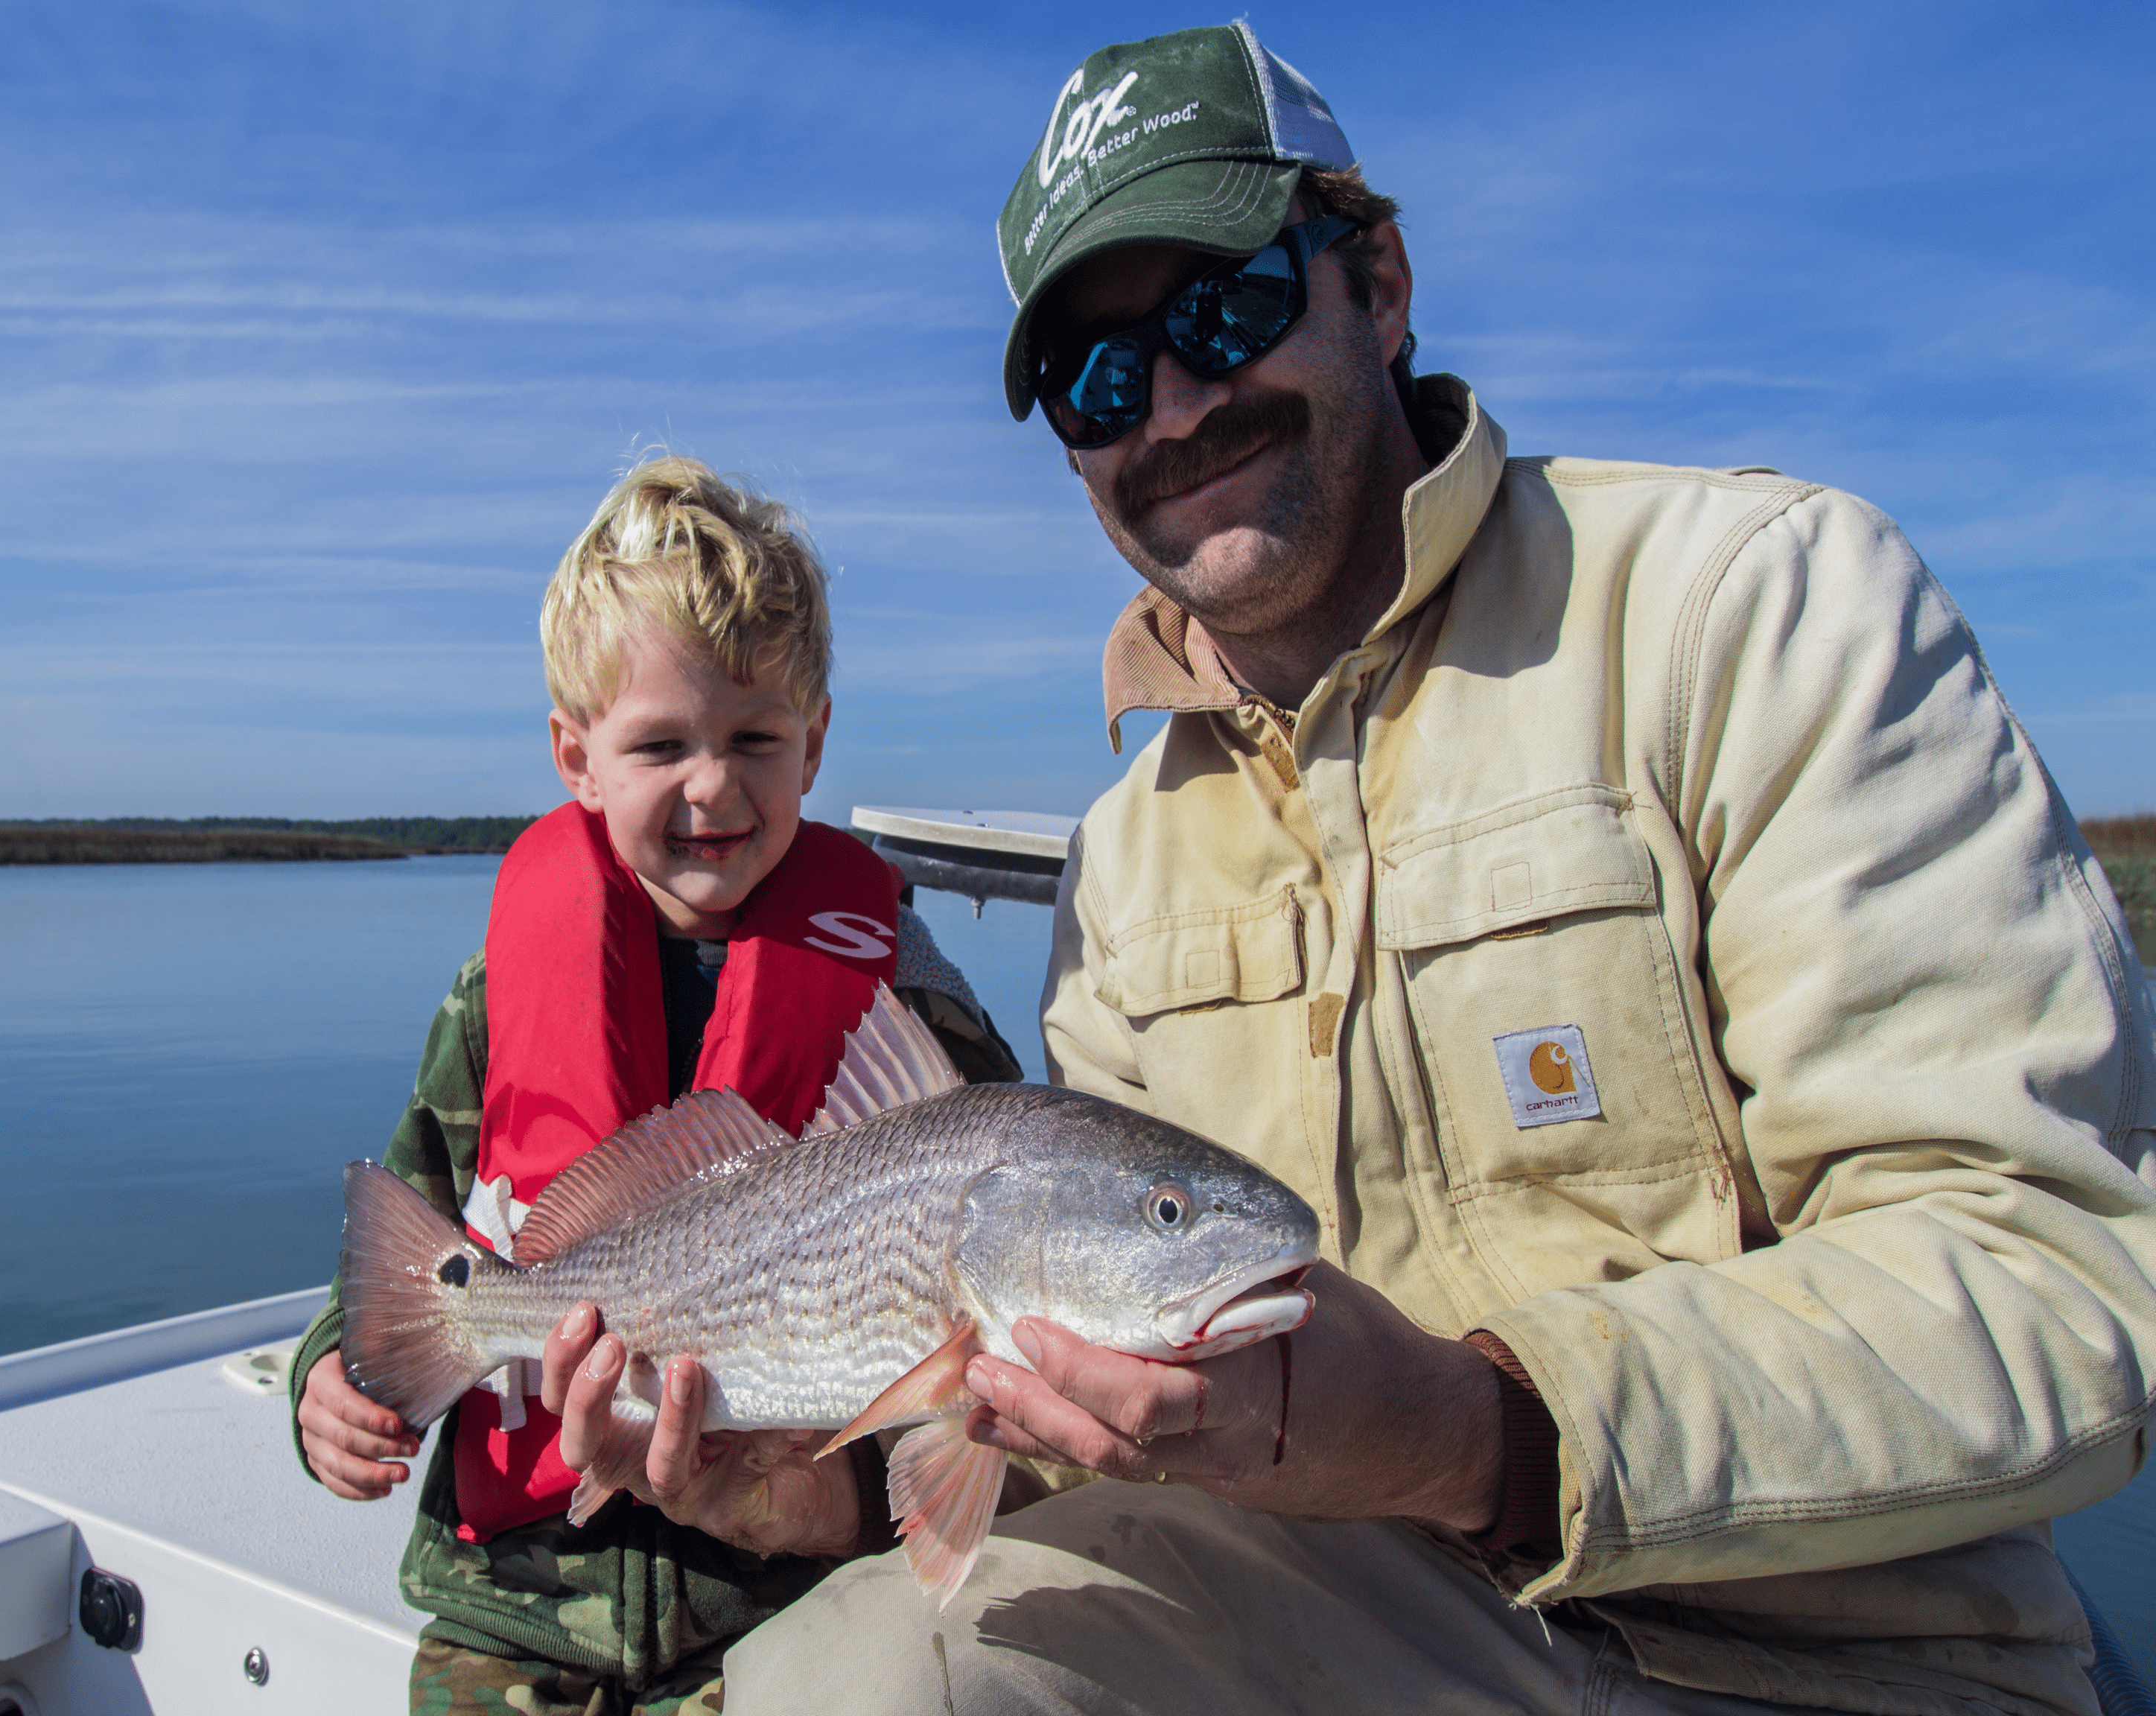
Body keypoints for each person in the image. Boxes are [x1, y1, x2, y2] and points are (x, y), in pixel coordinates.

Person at [725, 23, 2156, 1715]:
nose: (1175, 404)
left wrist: (1475, 1432)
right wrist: (795, 1478)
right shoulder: (1121, 857)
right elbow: (1076, 1406)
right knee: (847, 1682)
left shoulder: (1758, 608)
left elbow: (2057, 1274)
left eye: (1225, 307)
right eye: (1100, 380)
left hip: (1854, 1654)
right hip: (1325, 1612)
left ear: (1379, 278)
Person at [286, 454, 1025, 1715]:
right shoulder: (495, 997)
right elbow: (419, 1229)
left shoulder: (904, 998)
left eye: (755, 739)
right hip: (515, 1608)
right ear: (577, 757)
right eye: (660, 744)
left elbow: (993, 1252)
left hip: (774, 1603)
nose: (712, 787)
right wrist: (330, 1373)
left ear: (816, 743)